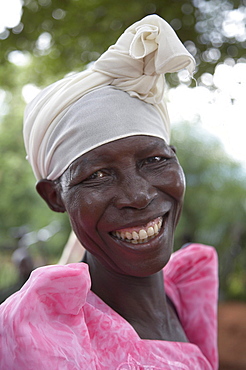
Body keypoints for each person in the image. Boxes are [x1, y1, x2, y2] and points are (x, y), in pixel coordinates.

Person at [0, 14, 218, 369]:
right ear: (54, 196)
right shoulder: (39, 341)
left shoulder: (184, 296)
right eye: (98, 175)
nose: (138, 195)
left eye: (154, 160)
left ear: (175, 160)